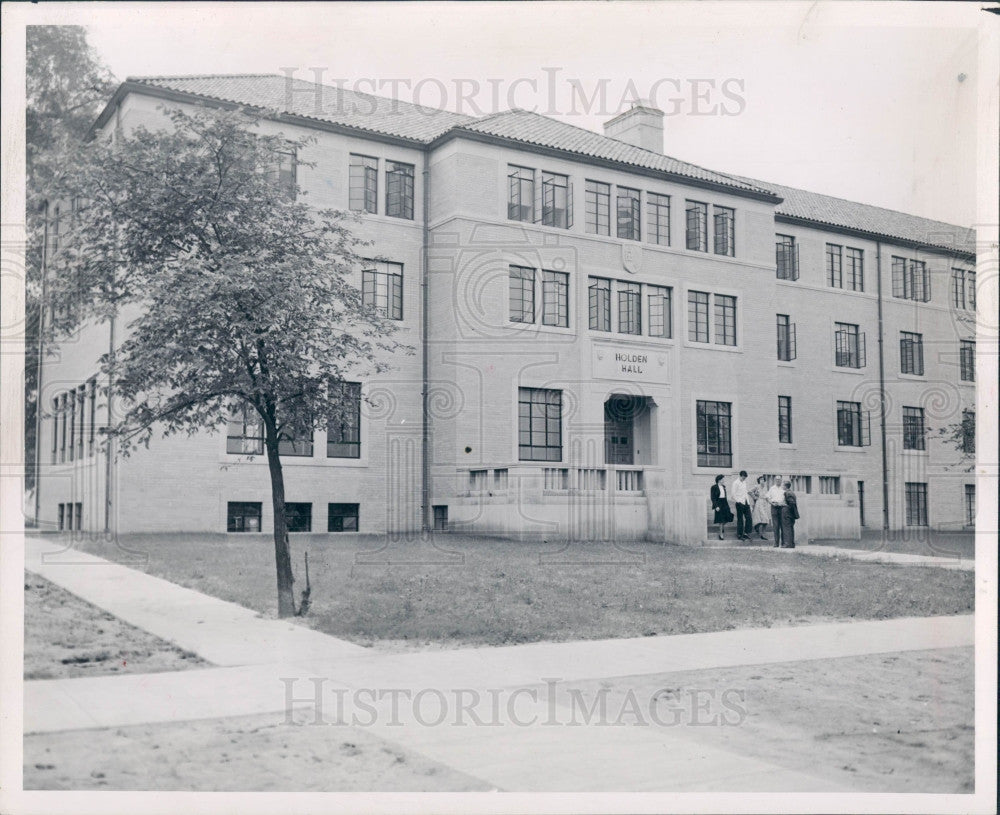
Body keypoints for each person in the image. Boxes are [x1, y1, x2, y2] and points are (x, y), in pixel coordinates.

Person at [710, 474, 734, 540]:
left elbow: (725, 496)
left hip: (724, 503)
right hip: (718, 503)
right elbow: (713, 497)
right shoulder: (714, 487)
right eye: (722, 479)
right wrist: (716, 506)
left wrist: (727, 505)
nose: (724, 480)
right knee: (720, 519)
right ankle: (721, 534)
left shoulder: (724, 486)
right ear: (719, 480)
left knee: (729, 516)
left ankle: (722, 527)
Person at [766, 475, 787, 548]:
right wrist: (772, 503)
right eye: (777, 479)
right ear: (775, 480)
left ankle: (784, 543)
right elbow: (767, 497)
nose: (778, 481)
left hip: (782, 508)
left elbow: (786, 498)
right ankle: (776, 543)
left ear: (781, 480)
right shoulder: (772, 488)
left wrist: (782, 503)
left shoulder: (784, 489)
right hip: (774, 508)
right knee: (776, 526)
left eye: (779, 479)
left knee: (783, 526)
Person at [732, 470, 752, 541]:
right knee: (740, 519)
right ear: (740, 476)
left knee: (749, 518)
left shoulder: (744, 482)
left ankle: (746, 533)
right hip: (739, 503)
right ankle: (739, 534)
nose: (744, 479)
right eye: (743, 478)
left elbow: (745, 492)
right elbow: (733, 495)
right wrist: (738, 502)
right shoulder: (735, 483)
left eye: (745, 478)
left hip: (746, 502)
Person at [750, 475, 771, 541]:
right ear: (759, 481)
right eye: (760, 479)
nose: (762, 480)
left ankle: (762, 533)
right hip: (759, 503)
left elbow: (767, 496)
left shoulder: (765, 487)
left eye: (763, 479)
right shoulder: (757, 486)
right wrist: (754, 497)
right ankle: (759, 531)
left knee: (766, 520)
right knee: (761, 518)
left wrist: (770, 502)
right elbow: (749, 491)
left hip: (765, 503)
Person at [781, 480, 799, 548]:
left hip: (787, 513)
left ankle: (787, 544)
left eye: (783, 485)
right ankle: (791, 543)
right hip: (791, 513)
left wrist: (785, 506)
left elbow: (791, 503)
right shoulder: (792, 492)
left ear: (785, 486)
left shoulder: (787, 493)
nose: (782, 486)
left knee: (786, 528)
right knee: (790, 528)